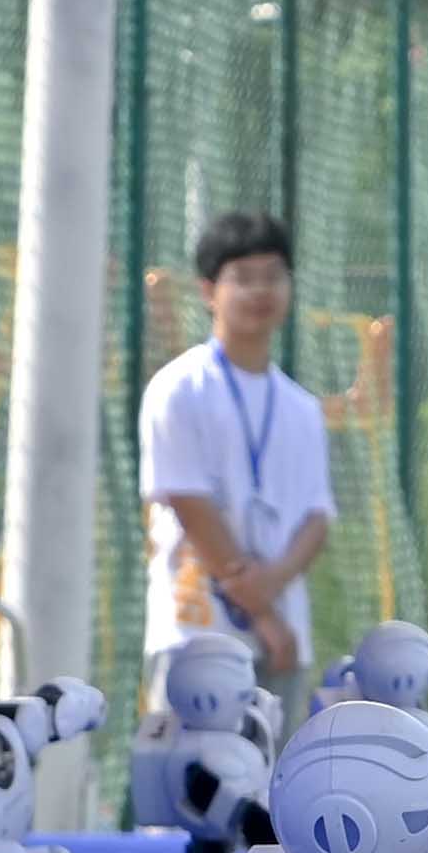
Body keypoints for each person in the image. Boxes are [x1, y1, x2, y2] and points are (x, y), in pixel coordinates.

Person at [138, 211, 334, 678]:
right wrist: (262, 612)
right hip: (194, 637)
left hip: (284, 642)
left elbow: (317, 517)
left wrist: (274, 585)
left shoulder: (302, 408)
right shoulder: (179, 388)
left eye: (273, 276)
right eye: (243, 278)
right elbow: (188, 501)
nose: (260, 291)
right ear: (209, 291)